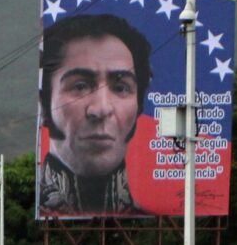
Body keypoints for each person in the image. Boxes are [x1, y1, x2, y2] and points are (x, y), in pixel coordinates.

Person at [37, 14, 152, 216]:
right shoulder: (14, 208)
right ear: (44, 106)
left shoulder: (155, 220)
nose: (101, 109)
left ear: (139, 107)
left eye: (120, 87)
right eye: (80, 86)